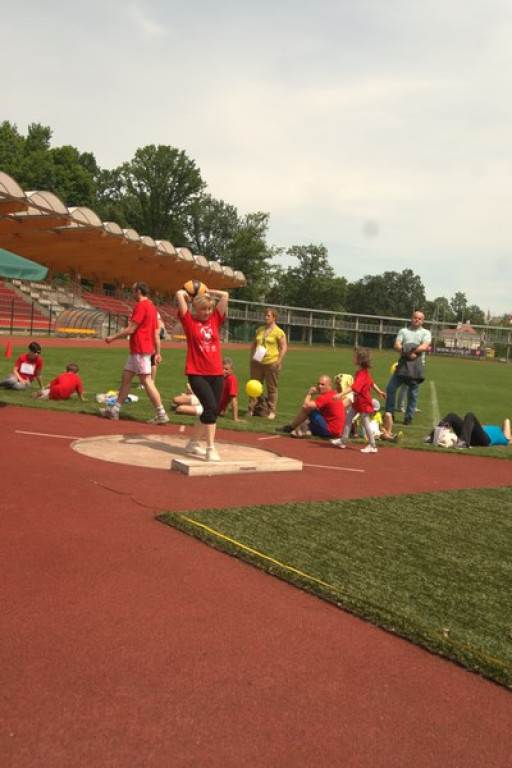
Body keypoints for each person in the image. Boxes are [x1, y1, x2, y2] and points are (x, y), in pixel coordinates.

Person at [100, 281, 169, 424]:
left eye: (132, 291)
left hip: (140, 350)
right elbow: (156, 333)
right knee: (126, 378)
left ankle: (161, 413)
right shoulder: (152, 307)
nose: (131, 294)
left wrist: (112, 337)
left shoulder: (141, 306)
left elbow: (131, 329)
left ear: (138, 291)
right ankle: (115, 411)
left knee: (147, 382)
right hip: (140, 350)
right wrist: (157, 352)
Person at [175, 286, 229, 462]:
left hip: (216, 373)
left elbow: (225, 295)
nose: (206, 312)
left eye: (209, 309)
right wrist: (188, 295)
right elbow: (178, 294)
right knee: (211, 409)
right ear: (195, 309)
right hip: (197, 373)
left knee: (210, 410)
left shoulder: (215, 320)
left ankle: (192, 443)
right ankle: (210, 448)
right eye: (203, 309)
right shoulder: (189, 322)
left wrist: (210, 292)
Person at [331, 347, 386, 453]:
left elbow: (353, 387)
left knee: (365, 423)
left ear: (360, 359)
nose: (353, 358)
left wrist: (340, 395)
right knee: (348, 418)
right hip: (358, 402)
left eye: (354, 356)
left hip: (363, 402)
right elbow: (371, 382)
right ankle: (343, 440)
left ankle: (373, 445)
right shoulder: (363, 372)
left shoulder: (362, 374)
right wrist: (379, 391)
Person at [384, 310, 431, 431]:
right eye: (415, 317)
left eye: (419, 318)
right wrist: (408, 353)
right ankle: (390, 414)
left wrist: (411, 352)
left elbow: (424, 346)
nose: (417, 320)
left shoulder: (426, 333)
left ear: (423, 321)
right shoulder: (403, 331)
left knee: (413, 394)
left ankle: (408, 417)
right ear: (411, 318)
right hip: (403, 365)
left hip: (417, 367)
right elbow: (397, 345)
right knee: (390, 388)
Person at [276, 375, 345, 439]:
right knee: (312, 413)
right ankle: (303, 430)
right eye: (318, 384)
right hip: (336, 431)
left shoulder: (326, 397)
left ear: (329, 386)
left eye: (323, 384)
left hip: (330, 431)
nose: (319, 386)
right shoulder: (333, 394)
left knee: (309, 409)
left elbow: (306, 405)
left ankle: (291, 427)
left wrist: (309, 394)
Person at [172, 357, 241, 422]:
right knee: (175, 399)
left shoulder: (232, 380)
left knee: (179, 409)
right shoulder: (220, 377)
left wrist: (235, 418)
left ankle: (190, 406)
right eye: (222, 368)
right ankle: (189, 403)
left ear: (232, 370)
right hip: (204, 398)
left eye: (226, 369)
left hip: (210, 407)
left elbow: (233, 399)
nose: (223, 371)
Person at [248, 307, 287, 420]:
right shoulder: (260, 330)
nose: (266, 317)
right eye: (265, 315)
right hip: (257, 361)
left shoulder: (279, 332)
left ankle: (271, 411)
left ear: (274, 317)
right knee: (254, 386)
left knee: (272, 388)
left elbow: (284, 347)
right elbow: (254, 344)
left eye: (268, 316)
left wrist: (278, 362)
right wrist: (252, 358)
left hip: (271, 362)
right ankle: (252, 408)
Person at [425, 412, 512, 448]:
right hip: (473, 435)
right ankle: (432, 437)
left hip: (485, 440)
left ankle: (464, 443)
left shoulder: (506, 438)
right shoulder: (496, 429)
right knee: (452, 416)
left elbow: (507, 420)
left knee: (470, 415)